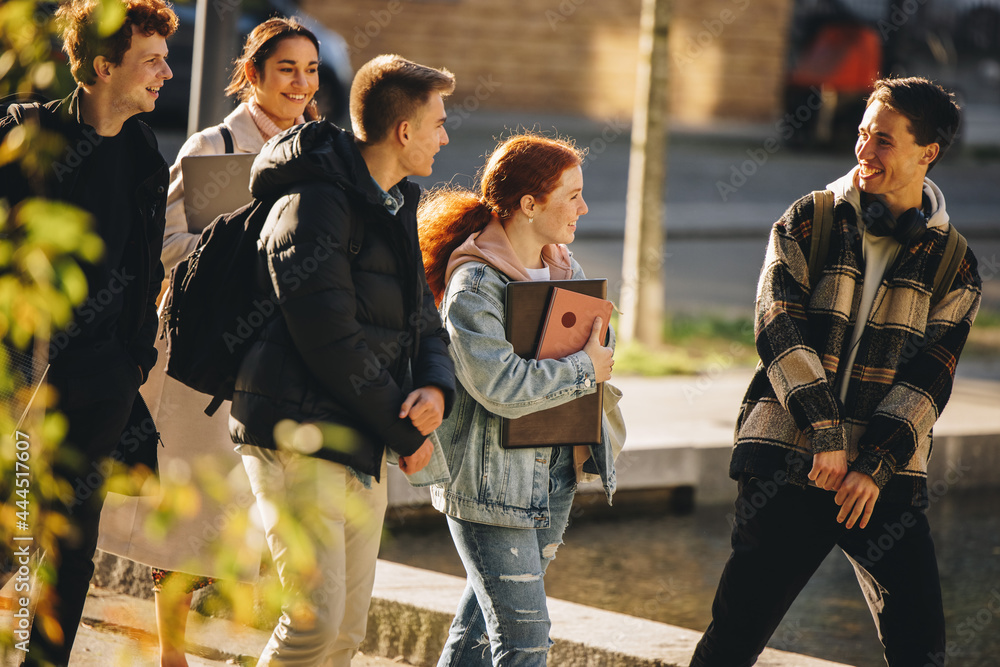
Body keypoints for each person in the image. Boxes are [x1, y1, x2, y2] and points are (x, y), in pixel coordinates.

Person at [689, 76, 981, 666]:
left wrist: (872, 466)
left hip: (882, 481)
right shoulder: (809, 220)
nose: (865, 151)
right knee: (734, 641)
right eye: (862, 134)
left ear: (929, 153)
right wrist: (824, 434)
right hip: (788, 462)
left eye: (885, 141)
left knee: (920, 649)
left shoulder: (956, 264)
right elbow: (777, 327)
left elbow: (930, 379)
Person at [94, 17, 320, 667]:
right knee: (190, 509)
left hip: (280, 354)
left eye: (310, 71)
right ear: (252, 74)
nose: (301, 83)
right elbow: (165, 247)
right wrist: (246, 248)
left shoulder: (318, 149)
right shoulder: (214, 146)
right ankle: (171, 652)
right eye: (286, 69)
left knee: (256, 506)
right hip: (201, 350)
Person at [228, 54, 457, 666]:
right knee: (312, 625)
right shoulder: (312, 203)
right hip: (295, 433)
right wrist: (404, 429)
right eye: (438, 123)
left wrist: (435, 388)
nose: (444, 136)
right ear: (403, 131)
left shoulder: (397, 202)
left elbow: (423, 317)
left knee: (347, 634)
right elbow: (330, 338)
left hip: (362, 435)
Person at [0, 0, 177, 664]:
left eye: (166, 59)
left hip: (103, 380)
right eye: (151, 60)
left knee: (72, 549)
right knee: (15, 536)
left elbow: (144, 264)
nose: (166, 74)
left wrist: (134, 357)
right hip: (28, 384)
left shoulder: (142, 152)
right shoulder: (27, 139)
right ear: (104, 67)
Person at [416, 133, 618, 666]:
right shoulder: (474, 285)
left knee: (478, 632)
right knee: (526, 644)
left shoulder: (563, 266)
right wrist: (583, 368)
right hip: (490, 486)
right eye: (571, 195)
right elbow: (501, 387)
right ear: (529, 205)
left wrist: (597, 349)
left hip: (554, 474)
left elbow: (593, 346)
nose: (584, 207)